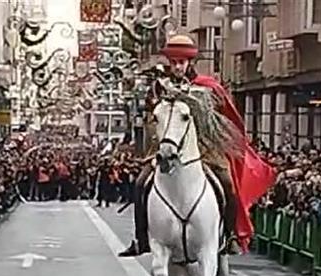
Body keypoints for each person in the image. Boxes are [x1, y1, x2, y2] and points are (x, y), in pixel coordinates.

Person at [118, 34, 275, 257]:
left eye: (181, 62)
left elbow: (221, 117)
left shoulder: (207, 87)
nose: (177, 67)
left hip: (203, 148)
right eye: (173, 62)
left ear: (190, 62)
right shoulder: (159, 87)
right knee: (141, 184)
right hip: (167, 145)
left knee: (227, 184)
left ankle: (228, 237)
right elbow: (151, 117)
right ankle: (142, 239)